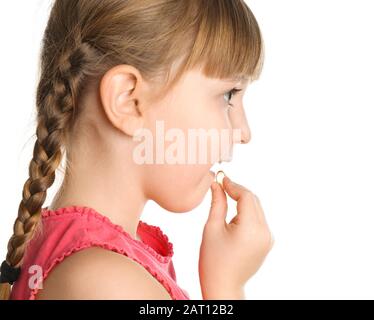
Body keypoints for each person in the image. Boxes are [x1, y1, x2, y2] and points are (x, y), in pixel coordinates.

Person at [0, 0, 273, 300]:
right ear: (128, 100)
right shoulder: (105, 283)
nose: (243, 132)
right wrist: (226, 287)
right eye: (228, 95)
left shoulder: (85, 257)